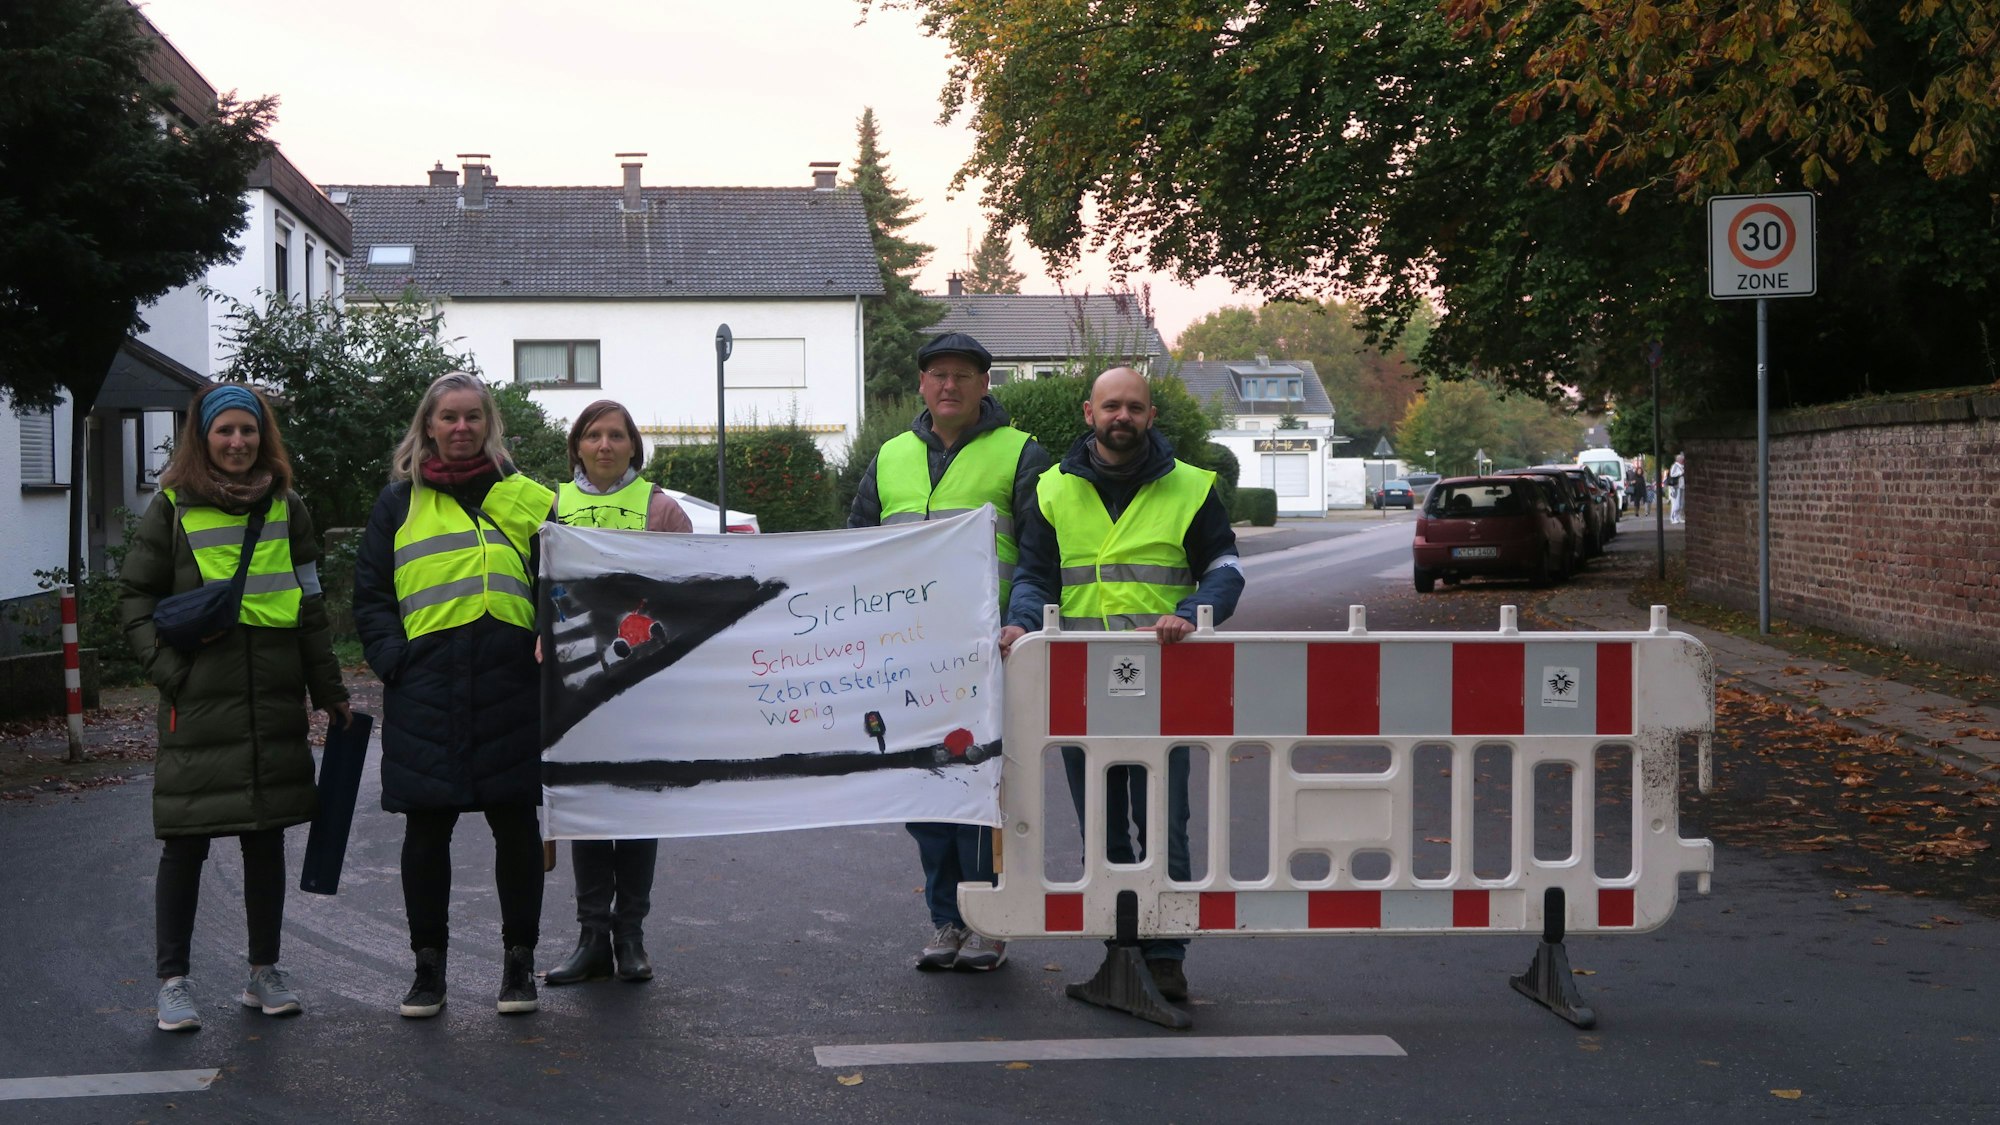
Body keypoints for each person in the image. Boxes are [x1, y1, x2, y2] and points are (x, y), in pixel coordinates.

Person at [998, 366, 1244, 1004]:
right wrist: (1021, 623)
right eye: (1111, 406)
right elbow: (1035, 576)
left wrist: (1192, 613)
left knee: (1165, 826)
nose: (1122, 417)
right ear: (1089, 413)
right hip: (1084, 689)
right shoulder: (1053, 490)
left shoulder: (1191, 486)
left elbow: (1224, 568)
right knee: (1103, 829)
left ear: (1150, 416)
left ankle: (1165, 958)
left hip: (1166, 684)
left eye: (1134, 407)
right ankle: (1120, 949)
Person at [118, 383, 351, 1032]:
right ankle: (173, 983)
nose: (238, 442)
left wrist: (329, 690)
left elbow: (309, 607)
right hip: (197, 704)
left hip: (271, 701)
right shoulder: (171, 507)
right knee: (185, 843)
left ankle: (263, 972)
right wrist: (171, 674)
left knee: (264, 839)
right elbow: (134, 600)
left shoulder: (287, 507)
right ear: (203, 437)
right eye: (225, 431)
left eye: (248, 430)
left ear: (262, 436)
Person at [352, 372, 555, 1018]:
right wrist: (394, 661)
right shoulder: (397, 503)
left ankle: (518, 966)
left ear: (489, 424)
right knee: (426, 828)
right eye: (449, 417)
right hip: (426, 684)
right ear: (429, 426)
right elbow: (371, 595)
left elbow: (563, 577)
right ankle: (427, 970)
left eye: (473, 417)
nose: (461, 428)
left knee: (515, 826)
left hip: (510, 682)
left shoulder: (525, 496)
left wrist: (548, 641)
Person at [849, 331, 1050, 972]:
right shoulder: (889, 458)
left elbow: (1040, 557)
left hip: (988, 656)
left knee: (983, 791)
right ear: (921, 385)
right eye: (938, 374)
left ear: (985, 385)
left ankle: (988, 919)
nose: (949, 385)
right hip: (910, 659)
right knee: (928, 793)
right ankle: (946, 920)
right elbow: (855, 551)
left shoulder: (1021, 453)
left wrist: (1020, 623)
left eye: (963, 375)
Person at [543, 400, 691, 986]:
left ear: (634, 446)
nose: (604, 445)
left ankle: (630, 937)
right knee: (588, 805)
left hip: (643, 683)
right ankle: (591, 938)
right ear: (577, 446)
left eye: (616, 435)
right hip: (577, 678)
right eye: (593, 435)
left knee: (633, 805)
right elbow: (539, 587)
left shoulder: (662, 509)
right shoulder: (553, 507)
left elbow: (689, 590)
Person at [1668, 452, 1687, 524]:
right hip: (1676, 486)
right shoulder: (1675, 466)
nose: (1683, 461)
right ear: (1679, 460)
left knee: (1681, 503)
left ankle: (1678, 517)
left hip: (1682, 486)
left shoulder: (1683, 466)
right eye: (1682, 459)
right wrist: (1680, 473)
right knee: (1676, 503)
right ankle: (1673, 518)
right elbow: (1672, 474)